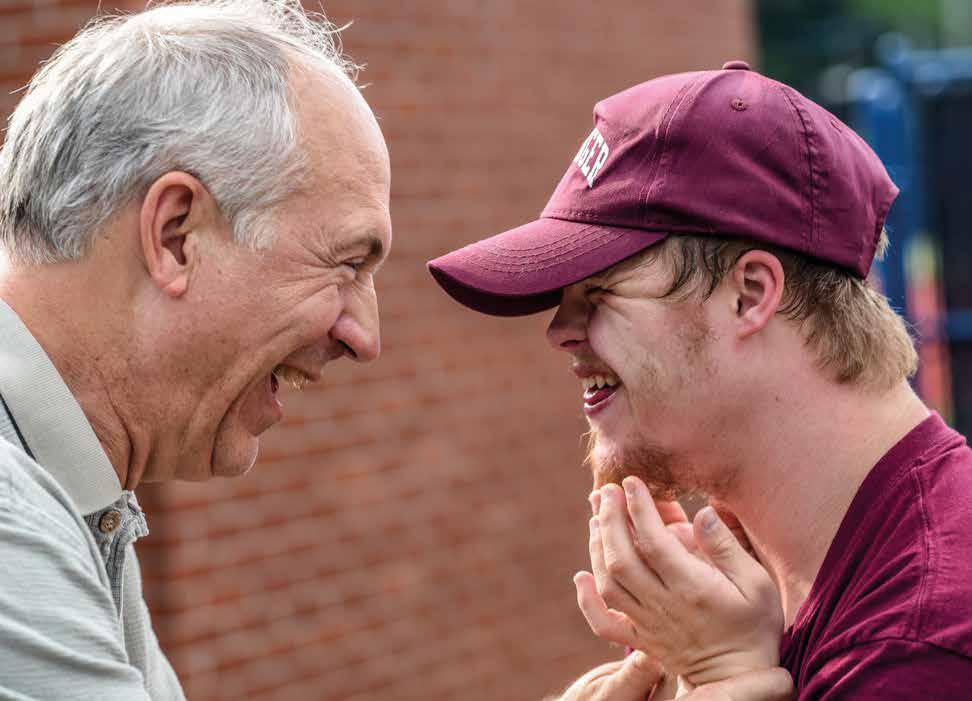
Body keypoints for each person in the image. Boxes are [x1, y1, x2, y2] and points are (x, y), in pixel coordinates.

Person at [429, 60, 972, 699]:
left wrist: (720, 680)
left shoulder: (922, 644)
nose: (561, 331)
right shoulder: (776, 587)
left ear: (749, 294)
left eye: (598, 292)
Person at [0, 0, 390, 697]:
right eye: (346, 264)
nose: (364, 336)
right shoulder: (11, 513)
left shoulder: (71, 490)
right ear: (176, 234)